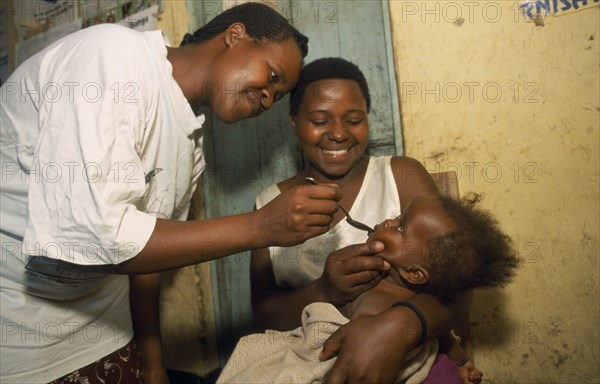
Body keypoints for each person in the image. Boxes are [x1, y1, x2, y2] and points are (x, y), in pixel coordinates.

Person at [0, 4, 344, 383]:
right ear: (235, 36)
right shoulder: (113, 56)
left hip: (104, 335)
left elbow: (148, 260)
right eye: (272, 76)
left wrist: (152, 364)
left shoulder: (189, 145)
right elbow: (95, 233)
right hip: (19, 340)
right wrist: (262, 226)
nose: (266, 98)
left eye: (276, 97)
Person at [249, 57, 480, 383]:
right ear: (294, 123)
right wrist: (324, 291)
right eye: (319, 119)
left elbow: (459, 281)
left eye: (354, 119)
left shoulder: (401, 175)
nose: (339, 134)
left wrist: (397, 327)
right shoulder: (268, 204)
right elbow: (264, 311)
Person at [220, 194, 519, 383]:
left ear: (414, 273)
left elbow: (357, 349)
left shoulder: (376, 305)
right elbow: (442, 336)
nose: (389, 221)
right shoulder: (409, 292)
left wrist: (458, 364)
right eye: (398, 215)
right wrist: (461, 361)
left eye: (400, 227)